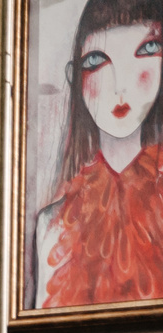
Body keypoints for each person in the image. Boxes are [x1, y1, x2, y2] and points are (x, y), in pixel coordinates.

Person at [35, 0, 163, 308]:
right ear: (74, 77)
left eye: (147, 49)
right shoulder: (52, 225)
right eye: (96, 60)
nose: (120, 86)